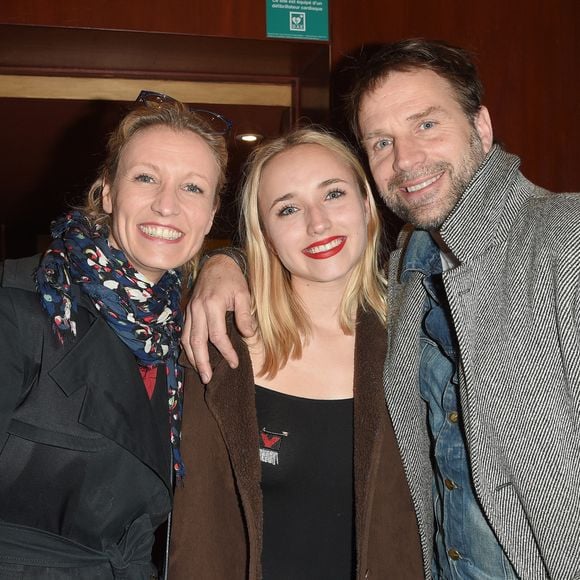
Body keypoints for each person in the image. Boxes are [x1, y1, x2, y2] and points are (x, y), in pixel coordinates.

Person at [182, 40, 580, 580]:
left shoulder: (563, 238)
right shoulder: (410, 284)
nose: (407, 159)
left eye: (426, 125)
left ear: (482, 127)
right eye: (382, 141)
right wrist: (221, 264)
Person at [169, 128, 423, 579]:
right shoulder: (216, 345)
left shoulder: (420, 337)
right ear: (264, 235)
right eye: (288, 209)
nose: (318, 223)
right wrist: (222, 261)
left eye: (334, 194)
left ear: (367, 205)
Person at [0, 91, 228, 578]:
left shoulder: (181, 338)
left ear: (210, 216)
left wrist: (230, 263)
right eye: (146, 178)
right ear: (107, 192)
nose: (167, 205)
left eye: (192, 188)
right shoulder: (22, 304)